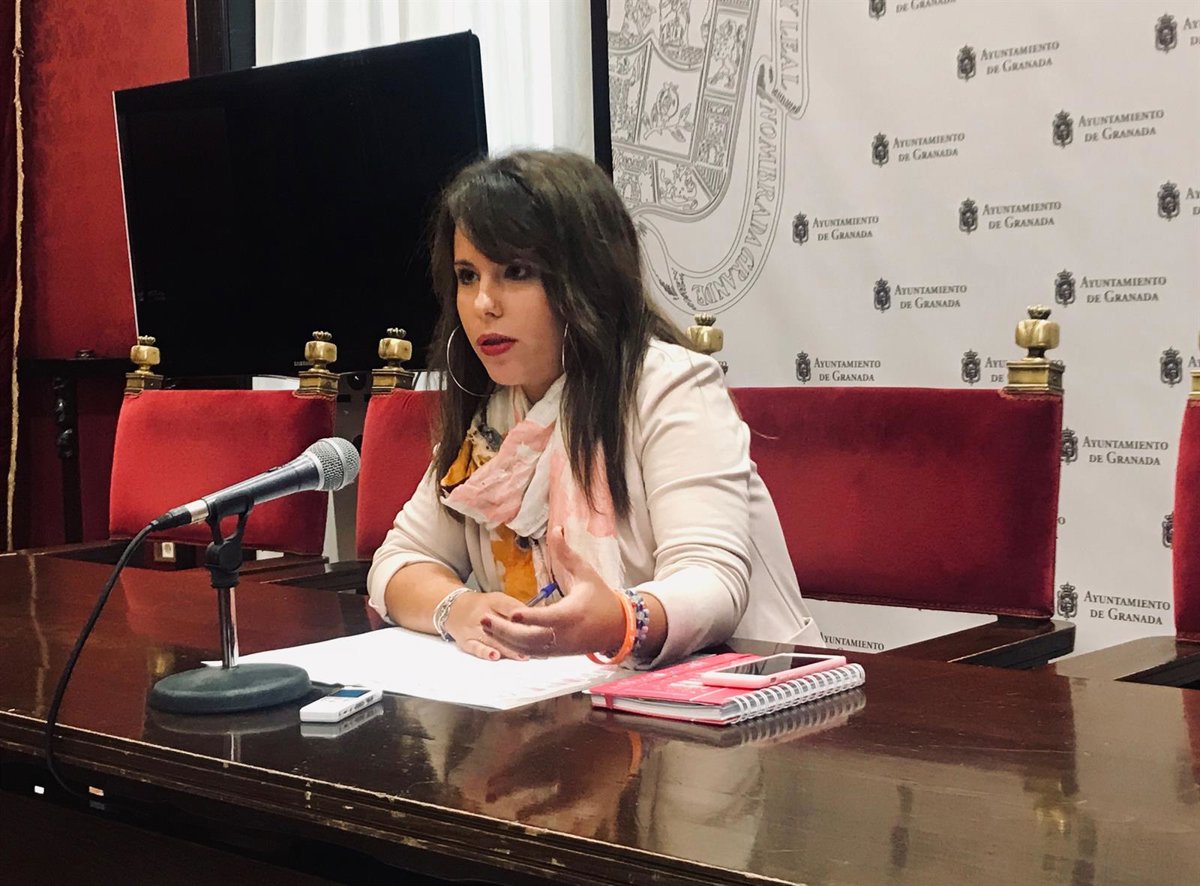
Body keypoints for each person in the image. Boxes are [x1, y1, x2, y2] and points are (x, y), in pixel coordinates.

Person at [367, 149, 819, 667]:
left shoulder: (669, 385)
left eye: (516, 271)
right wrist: (459, 608)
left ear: (585, 277)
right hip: (562, 697)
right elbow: (397, 561)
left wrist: (622, 621)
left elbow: (712, 581)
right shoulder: (492, 413)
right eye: (468, 276)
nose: (483, 303)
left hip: (738, 691)